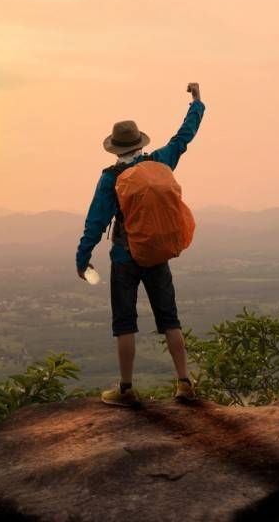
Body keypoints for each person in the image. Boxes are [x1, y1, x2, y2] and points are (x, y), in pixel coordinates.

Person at [76, 83, 206, 407]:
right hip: (156, 254)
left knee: (124, 323)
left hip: (124, 256)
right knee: (169, 319)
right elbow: (183, 138)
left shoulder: (111, 178)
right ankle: (184, 382)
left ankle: (126, 388)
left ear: (115, 148)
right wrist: (197, 103)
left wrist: (82, 258)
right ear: (139, 143)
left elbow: (95, 222)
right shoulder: (160, 162)